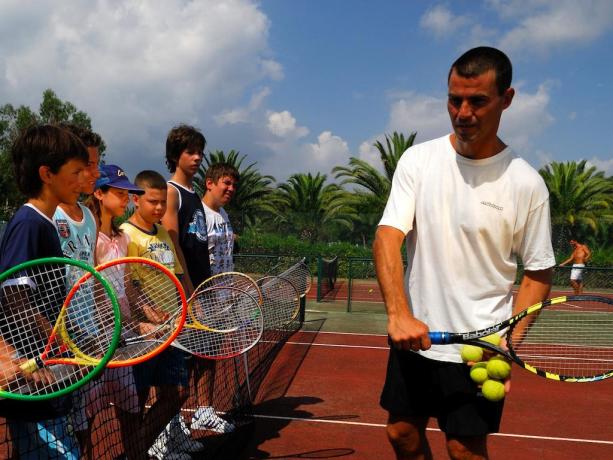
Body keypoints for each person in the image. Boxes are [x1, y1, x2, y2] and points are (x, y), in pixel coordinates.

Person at [373, 46, 556, 460]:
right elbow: (388, 235)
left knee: (464, 450)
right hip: (415, 342)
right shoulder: (419, 161)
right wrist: (399, 313)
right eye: (454, 99)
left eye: (478, 101)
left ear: (506, 100)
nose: (463, 112)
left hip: (481, 348)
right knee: (400, 433)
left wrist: (509, 340)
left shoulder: (526, 183)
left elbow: (538, 273)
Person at [0, 124, 89, 459]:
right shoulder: (28, 224)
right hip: (32, 379)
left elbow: (46, 305)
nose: (83, 181)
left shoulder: (44, 224)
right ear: (46, 174)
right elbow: (14, 301)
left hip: (46, 373)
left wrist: (76, 339)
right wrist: (35, 359)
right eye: (76, 172)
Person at [120, 170, 203, 460]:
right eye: (153, 202)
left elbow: (177, 276)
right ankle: (137, 452)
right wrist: (146, 314)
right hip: (143, 335)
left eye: (163, 203)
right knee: (138, 400)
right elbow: (129, 284)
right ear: (135, 199)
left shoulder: (164, 234)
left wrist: (189, 305)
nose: (159, 208)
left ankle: (140, 448)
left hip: (172, 329)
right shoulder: (126, 235)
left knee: (177, 393)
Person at [161, 125, 232, 434]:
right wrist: (189, 291)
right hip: (182, 291)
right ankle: (167, 431)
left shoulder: (193, 195)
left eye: (200, 152)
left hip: (202, 288)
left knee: (203, 353)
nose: (197, 157)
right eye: (190, 151)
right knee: (175, 367)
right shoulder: (171, 191)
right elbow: (173, 244)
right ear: (176, 155)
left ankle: (193, 418)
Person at [85, 164, 147, 459]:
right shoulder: (88, 238)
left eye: (128, 193)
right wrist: (103, 327)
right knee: (85, 421)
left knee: (131, 411)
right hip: (93, 340)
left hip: (120, 338)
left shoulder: (123, 237)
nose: (126, 199)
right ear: (99, 193)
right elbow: (92, 290)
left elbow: (124, 286)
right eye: (120, 193)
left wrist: (139, 322)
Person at [52, 124, 101, 458]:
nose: (96, 172)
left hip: (88, 339)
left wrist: (101, 326)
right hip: (55, 341)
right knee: (50, 434)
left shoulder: (89, 217)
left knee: (85, 422)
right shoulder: (46, 216)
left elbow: (93, 274)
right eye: (89, 165)